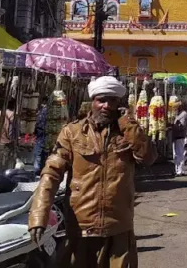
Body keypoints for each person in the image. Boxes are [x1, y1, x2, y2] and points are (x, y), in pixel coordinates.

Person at [29, 76, 155, 268]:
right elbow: (51, 174)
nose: (106, 105)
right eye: (101, 100)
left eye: (112, 100)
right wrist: (39, 215)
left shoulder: (127, 133)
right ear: (92, 101)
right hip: (81, 227)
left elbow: (148, 158)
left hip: (118, 228)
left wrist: (129, 125)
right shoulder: (72, 132)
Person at [172, 101, 187, 176]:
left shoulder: (183, 114)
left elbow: (181, 126)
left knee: (179, 153)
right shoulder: (179, 114)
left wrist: (173, 126)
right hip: (176, 136)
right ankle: (177, 170)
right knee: (176, 154)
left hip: (180, 135)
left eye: (176, 107)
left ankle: (180, 170)